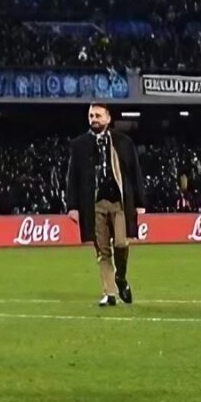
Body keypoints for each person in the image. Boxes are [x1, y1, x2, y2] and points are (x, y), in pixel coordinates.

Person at [65, 104, 142, 308]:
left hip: (119, 203)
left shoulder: (124, 142)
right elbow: (72, 177)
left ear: (108, 118)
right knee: (102, 251)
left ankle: (121, 278)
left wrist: (140, 202)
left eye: (98, 115)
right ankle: (109, 293)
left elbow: (135, 173)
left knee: (121, 243)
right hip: (94, 204)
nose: (94, 119)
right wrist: (72, 206)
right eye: (91, 115)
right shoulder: (79, 144)